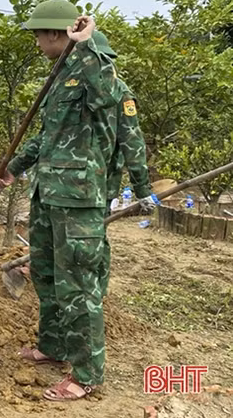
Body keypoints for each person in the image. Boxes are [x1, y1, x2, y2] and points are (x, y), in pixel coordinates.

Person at [0, 0, 122, 401]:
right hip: (48, 195)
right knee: (45, 273)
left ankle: (86, 373)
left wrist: (86, 45)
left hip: (78, 199)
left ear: (54, 33)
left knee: (77, 284)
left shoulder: (91, 67)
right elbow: (47, 137)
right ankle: (53, 346)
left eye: (37, 35)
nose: (34, 42)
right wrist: (14, 165)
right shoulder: (60, 76)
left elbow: (109, 96)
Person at [93, 30, 156, 297]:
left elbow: (132, 141)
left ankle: (97, 294)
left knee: (95, 242)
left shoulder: (121, 93)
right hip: (66, 185)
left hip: (102, 183)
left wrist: (142, 190)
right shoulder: (71, 87)